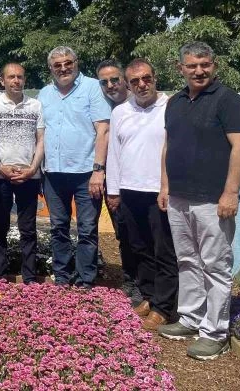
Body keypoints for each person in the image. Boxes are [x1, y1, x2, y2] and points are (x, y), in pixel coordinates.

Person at [158, 42, 240, 360]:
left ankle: (215, 333)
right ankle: (190, 318)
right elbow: (169, 147)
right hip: (179, 198)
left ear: (214, 65)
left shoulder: (229, 101)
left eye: (205, 64)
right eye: (192, 65)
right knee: (187, 260)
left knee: (215, 266)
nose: (199, 70)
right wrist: (165, 187)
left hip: (213, 201)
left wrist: (231, 192)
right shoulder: (175, 102)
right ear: (180, 68)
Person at [106, 59, 178, 331]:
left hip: (159, 193)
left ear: (155, 77)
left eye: (146, 78)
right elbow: (114, 152)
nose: (141, 85)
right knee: (139, 248)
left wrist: (168, 187)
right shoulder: (121, 112)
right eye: (134, 81)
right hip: (129, 191)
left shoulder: (170, 107)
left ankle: (164, 306)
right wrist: (113, 191)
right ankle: (148, 296)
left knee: (164, 250)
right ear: (127, 84)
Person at [37, 47, 111, 289]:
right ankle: (62, 276)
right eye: (57, 65)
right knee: (58, 227)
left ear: (76, 63)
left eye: (68, 63)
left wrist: (99, 170)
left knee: (87, 229)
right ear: (51, 68)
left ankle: (85, 279)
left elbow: (103, 129)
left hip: (85, 173)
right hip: (53, 173)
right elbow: (40, 134)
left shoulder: (92, 88)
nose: (63, 68)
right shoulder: (44, 94)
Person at [0, 62, 45, 283]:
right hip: (0, 175)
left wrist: (32, 169)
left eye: (20, 77)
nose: (16, 81)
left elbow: (41, 141)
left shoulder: (36, 106)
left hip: (29, 176)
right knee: (0, 226)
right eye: (11, 77)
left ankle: (29, 276)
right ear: (2, 81)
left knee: (28, 228)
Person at [96, 58, 140, 305]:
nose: (110, 85)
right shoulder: (104, 109)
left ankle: (150, 287)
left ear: (124, 80)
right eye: (104, 82)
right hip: (114, 185)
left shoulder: (141, 105)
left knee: (144, 239)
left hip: (142, 185)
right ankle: (132, 282)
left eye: (115, 79)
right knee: (124, 235)